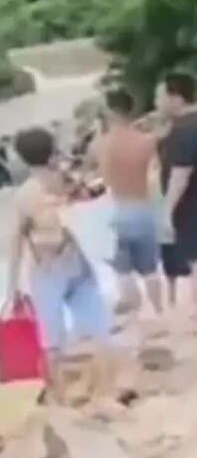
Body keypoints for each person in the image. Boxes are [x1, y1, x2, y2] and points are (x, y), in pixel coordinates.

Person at [6, 126, 110, 382]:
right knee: (96, 327)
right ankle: (105, 381)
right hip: (76, 258)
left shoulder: (24, 195)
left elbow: (16, 241)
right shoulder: (65, 180)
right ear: (52, 150)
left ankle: (57, 392)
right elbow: (89, 197)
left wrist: (12, 288)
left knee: (51, 339)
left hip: (47, 267)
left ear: (22, 158)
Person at [89, 88, 162, 316]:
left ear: (109, 111)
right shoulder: (146, 141)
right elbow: (155, 174)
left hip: (114, 209)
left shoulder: (100, 145)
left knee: (123, 270)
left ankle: (135, 315)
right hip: (143, 207)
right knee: (150, 269)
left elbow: (94, 177)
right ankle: (159, 312)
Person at [156, 72, 197, 312]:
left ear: (176, 98)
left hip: (191, 208)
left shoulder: (184, 130)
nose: (157, 103)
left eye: (160, 96)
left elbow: (180, 175)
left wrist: (166, 212)